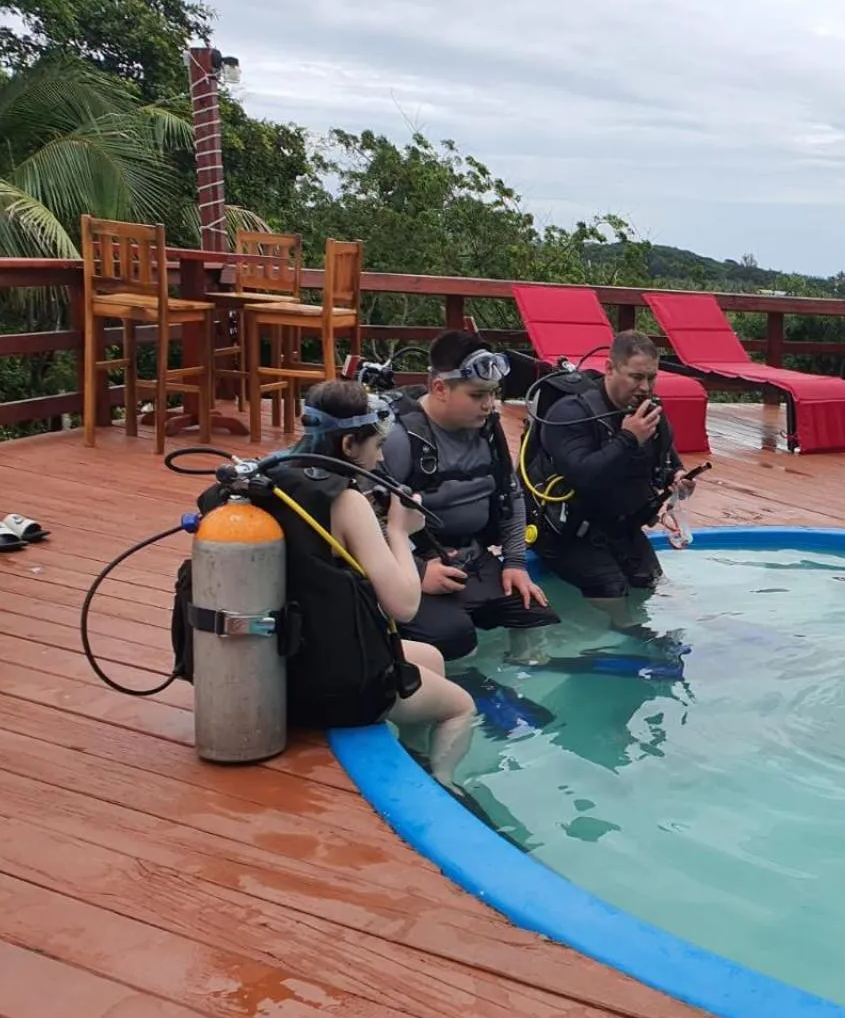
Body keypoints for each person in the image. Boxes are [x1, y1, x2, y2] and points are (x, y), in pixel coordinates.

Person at [280, 379, 478, 788]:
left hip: (285, 660)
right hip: (332, 683)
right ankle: (441, 786)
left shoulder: (275, 477)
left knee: (431, 657)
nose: (382, 456)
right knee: (461, 706)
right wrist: (399, 532)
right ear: (349, 444)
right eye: (377, 445)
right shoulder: (345, 501)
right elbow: (404, 606)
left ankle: (411, 759)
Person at [380, 331, 559, 663]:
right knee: (454, 639)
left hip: (471, 559)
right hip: (416, 566)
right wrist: (417, 572)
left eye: (493, 394)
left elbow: (511, 497)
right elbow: (364, 521)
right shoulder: (399, 440)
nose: (489, 404)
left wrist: (515, 563)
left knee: (536, 615)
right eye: (477, 395)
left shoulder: (488, 430)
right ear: (440, 389)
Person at [526, 329, 689, 629]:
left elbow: (667, 464)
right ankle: (614, 644)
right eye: (636, 377)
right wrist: (628, 438)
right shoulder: (570, 413)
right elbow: (582, 476)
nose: (645, 387)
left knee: (651, 583)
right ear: (610, 369)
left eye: (651, 378)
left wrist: (678, 479)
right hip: (565, 531)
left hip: (618, 526)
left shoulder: (650, 414)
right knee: (612, 592)